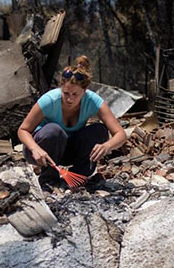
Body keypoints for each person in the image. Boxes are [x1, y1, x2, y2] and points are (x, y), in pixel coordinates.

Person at [18, 55, 126, 188]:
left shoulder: (93, 101)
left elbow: (120, 134)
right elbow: (23, 130)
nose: (69, 99)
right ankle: (48, 181)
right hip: (41, 150)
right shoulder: (49, 100)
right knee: (54, 131)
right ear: (61, 87)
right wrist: (35, 148)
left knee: (99, 131)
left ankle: (78, 178)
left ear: (84, 91)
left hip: (69, 150)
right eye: (66, 93)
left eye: (75, 95)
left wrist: (107, 146)